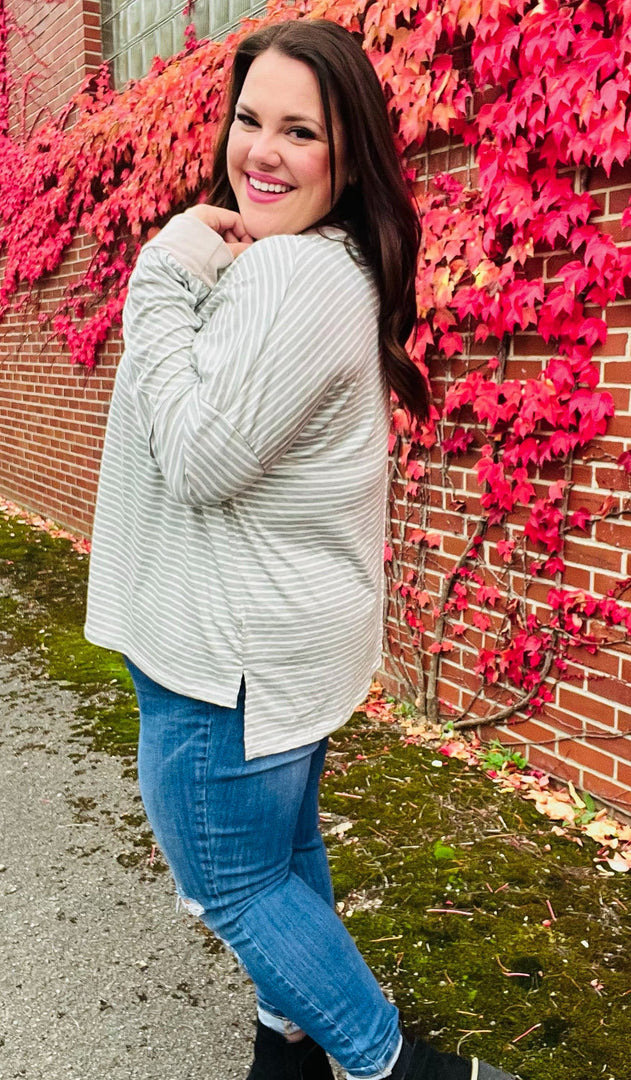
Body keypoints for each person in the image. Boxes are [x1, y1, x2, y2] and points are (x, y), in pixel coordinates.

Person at [85, 18, 518, 1080]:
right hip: (270, 641)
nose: (261, 152)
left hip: (222, 656)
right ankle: (290, 1043)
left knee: (232, 884)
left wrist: (159, 269)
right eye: (248, 119)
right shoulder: (316, 265)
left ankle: (395, 1067)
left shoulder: (288, 279)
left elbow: (196, 456)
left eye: (300, 131)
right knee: (278, 855)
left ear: (348, 152)